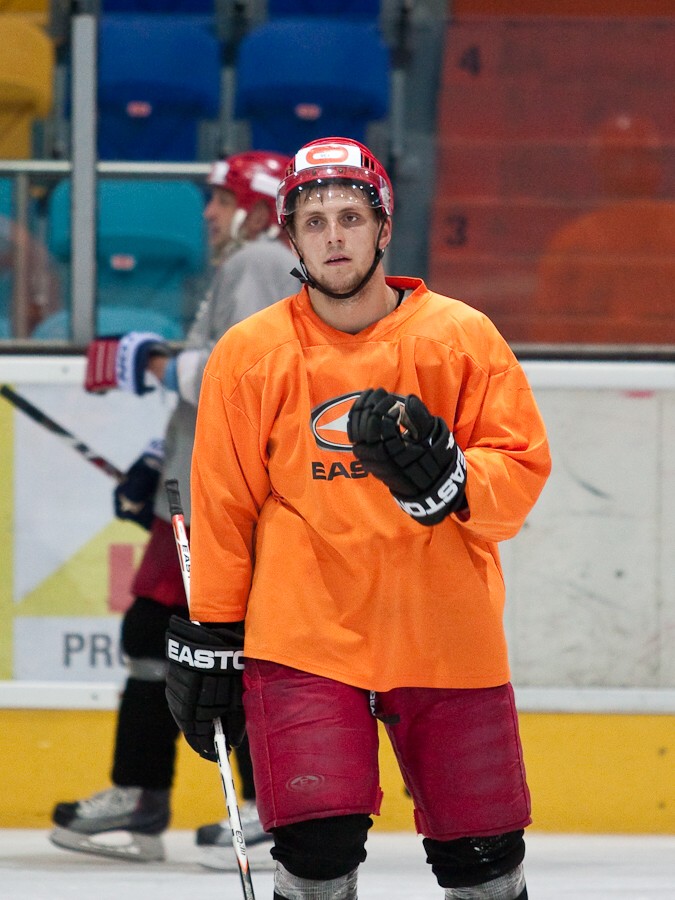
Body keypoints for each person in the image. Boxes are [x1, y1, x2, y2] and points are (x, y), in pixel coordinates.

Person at [165, 136, 551, 899]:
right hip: (302, 636)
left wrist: (455, 481)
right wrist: (215, 633)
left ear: (383, 227)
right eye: (313, 221)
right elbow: (224, 505)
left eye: (349, 217)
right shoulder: (249, 353)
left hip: (445, 632)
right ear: (290, 236)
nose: (333, 236)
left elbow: (519, 473)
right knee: (315, 856)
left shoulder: (460, 337)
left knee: (485, 864)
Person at [49, 151, 299, 864]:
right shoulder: (252, 263)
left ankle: (254, 808)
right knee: (161, 636)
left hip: (226, 505)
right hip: (199, 494)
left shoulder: (259, 260)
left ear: (258, 207)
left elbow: (244, 378)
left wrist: (153, 363)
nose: (208, 213)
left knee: (221, 645)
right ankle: (148, 798)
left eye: (221, 198)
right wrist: (162, 458)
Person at [533, 112, 675, 343]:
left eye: (638, 158)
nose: (629, 169)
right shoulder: (572, 244)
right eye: (620, 160)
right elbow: (550, 337)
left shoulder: (572, 242)